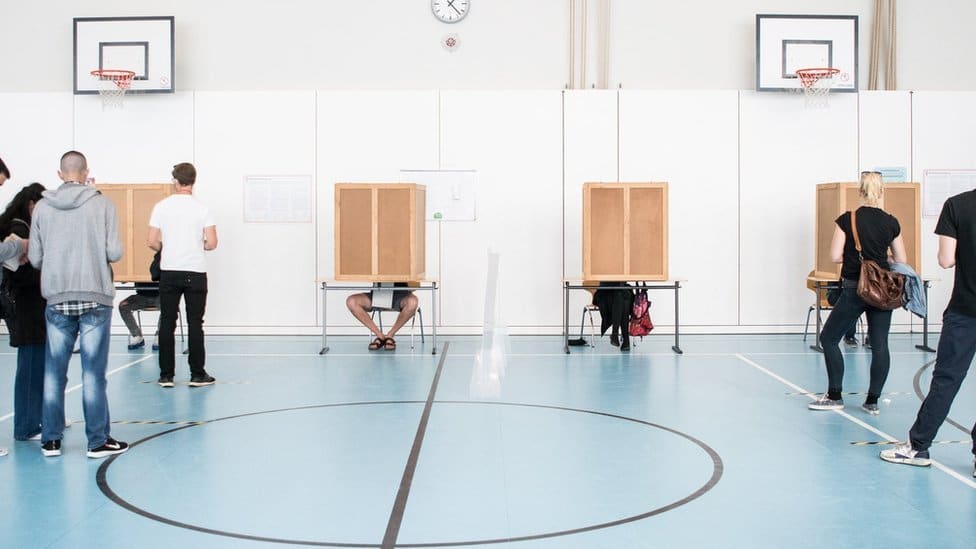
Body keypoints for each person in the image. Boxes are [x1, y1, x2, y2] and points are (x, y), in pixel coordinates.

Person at [29, 151, 128, 458]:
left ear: (60, 174)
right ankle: (97, 441)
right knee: (93, 374)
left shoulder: (42, 208)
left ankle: (51, 440)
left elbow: (35, 258)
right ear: (86, 173)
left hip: (57, 297)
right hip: (95, 295)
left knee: (54, 373)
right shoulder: (103, 204)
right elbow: (114, 252)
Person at [881, 186, 976, 475]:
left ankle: (918, 446)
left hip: (965, 311)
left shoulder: (957, 205)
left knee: (946, 381)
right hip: (964, 313)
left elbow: (946, 260)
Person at [809, 171, 907, 415]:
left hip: (855, 287)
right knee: (880, 344)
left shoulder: (847, 219)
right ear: (881, 191)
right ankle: (872, 401)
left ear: (860, 191)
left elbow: (835, 256)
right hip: (882, 289)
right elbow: (901, 260)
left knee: (829, 338)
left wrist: (855, 257)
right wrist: (883, 258)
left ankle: (834, 395)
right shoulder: (891, 222)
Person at [148, 162, 217, 387]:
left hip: (169, 271)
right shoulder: (202, 208)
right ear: (193, 182)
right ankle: (197, 374)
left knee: (168, 321)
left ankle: (166, 375)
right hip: (195, 271)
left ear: (175, 182)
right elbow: (212, 243)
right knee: (195, 323)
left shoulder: (161, 207)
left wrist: (167, 247)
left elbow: (151, 241)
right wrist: (198, 245)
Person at [1, 184, 48, 446]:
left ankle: (34, 420)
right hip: (27, 309)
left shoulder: (24, 229)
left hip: (30, 307)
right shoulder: (19, 231)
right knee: (30, 367)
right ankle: (27, 426)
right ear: (31, 204)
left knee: (35, 365)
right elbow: (18, 274)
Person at [346, 282, 419, 351]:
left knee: (412, 302)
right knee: (351, 301)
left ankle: (390, 335)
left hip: (401, 296)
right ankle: (380, 336)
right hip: (377, 295)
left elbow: (415, 286)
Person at [119, 251, 161, 350]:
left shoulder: (160, 256)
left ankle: (160, 335)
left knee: (169, 305)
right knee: (123, 306)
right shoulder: (134, 259)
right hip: (141, 296)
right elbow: (123, 280)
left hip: (160, 295)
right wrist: (125, 274)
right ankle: (137, 336)